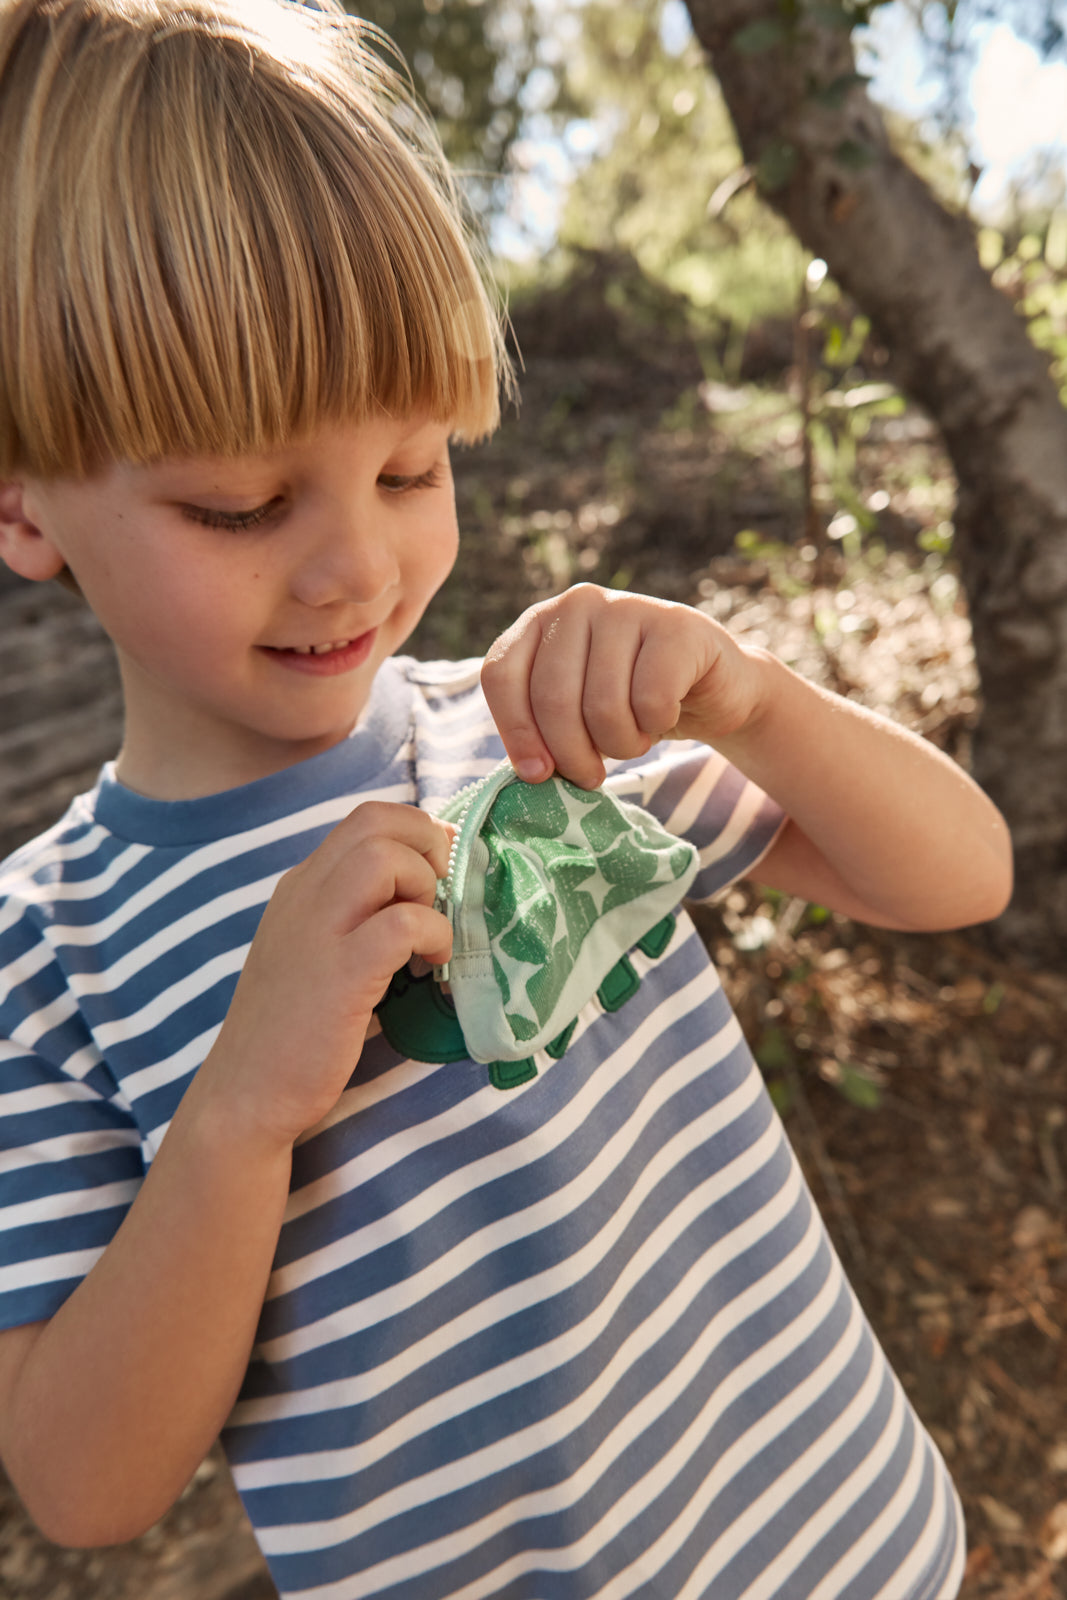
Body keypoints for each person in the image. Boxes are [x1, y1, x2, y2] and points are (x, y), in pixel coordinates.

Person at [0, 0, 1011, 1595]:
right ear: (24, 499)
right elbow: (82, 1481)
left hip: (848, 1548)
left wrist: (752, 700)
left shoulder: (524, 740)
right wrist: (243, 1108)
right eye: (244, 503)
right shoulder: (46, 956)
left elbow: (957, 875)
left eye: (412, 468)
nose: (356, 563)